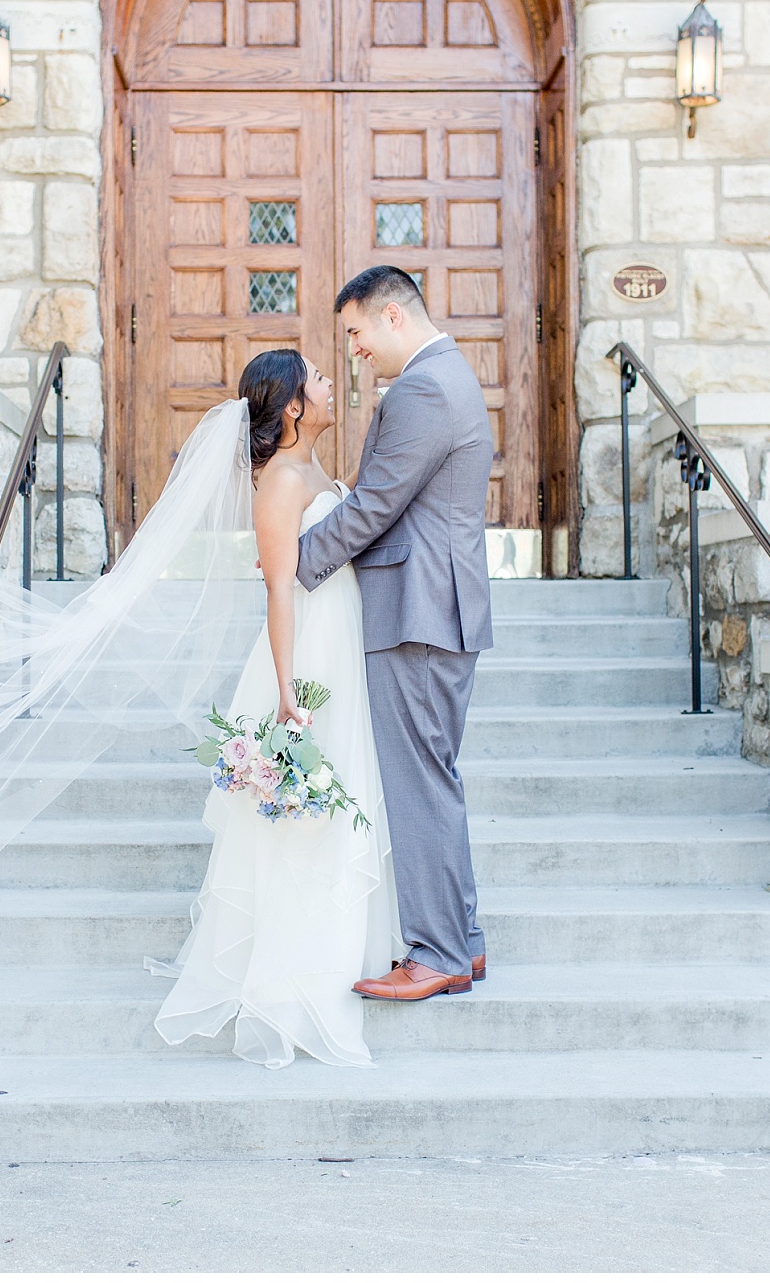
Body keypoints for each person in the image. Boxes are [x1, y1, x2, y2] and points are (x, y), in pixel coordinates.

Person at [148, 349, 405, 1068]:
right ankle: (293, 984)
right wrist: (288, 691)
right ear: (293, 405)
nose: (328, 384)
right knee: (306, 819)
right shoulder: (280, 483)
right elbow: (279, 589)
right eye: (318, 379)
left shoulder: (316, 470)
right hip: (307, 656)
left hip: (341, 642)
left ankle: (339, 952)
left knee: (342, 800)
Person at [298, 266, 495, 1002]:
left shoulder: (422, 387)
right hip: (433, 604)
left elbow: (379, 503)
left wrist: (299, 559)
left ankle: (438, 950)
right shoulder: (441, 376)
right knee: (432, 777)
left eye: (354, 333)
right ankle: (462, 940)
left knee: (418, 782)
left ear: (390, 316)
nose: (352, 350)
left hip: (419, 607)